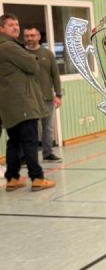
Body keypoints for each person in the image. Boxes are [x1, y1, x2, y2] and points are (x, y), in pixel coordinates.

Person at [0, 13, 55, 191]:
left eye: (17, 24)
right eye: (11, 25)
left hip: (9, 105)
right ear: (1, 28)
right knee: (30, 141)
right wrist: (32, 58)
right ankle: (37, 177)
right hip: (22, 103)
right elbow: (32, 65)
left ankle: (12, 178)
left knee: (14, 142)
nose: (16, 27)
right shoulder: (9, 46)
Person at [23, 24, 63, 161]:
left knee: (47, 127)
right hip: (28, 99)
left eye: (32, 35)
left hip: (47, 98)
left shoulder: (48, 54)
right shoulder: (21, 54)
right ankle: (29, 156)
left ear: (39, 37)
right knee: (30, 129)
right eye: (27, 36)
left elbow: (55, 75)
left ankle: (47, 153)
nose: (29, 38)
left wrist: (58, 95)